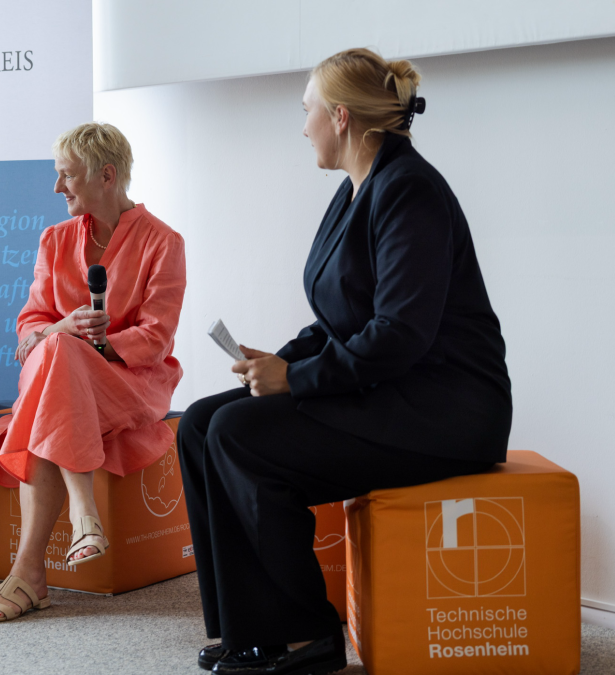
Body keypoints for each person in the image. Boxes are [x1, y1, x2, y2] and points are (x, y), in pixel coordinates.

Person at [177, 48, 513, 675]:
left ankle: (307, 634)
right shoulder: (357, 188)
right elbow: (339, 321)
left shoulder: (410, 190)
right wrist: (280, 362)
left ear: (339, 117)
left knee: (240, 435)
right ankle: (249, 630)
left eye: (305, 111)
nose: (300, 125)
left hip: (444, 410)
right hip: (386, 389)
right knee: (200, 424)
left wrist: (296, 380)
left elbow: (400, 334)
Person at [0, 122, 186, 623]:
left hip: (130, 380)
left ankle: (29, 573)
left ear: (105, 175)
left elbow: (156, 339)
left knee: (59, 359)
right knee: (58, 354)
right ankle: (78, 520)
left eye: (65, 176)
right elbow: (29, 327)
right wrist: (64, 329)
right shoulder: (54, 238)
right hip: (54, 371)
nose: (56, 188)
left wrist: (100, 342)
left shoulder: (163, 242)